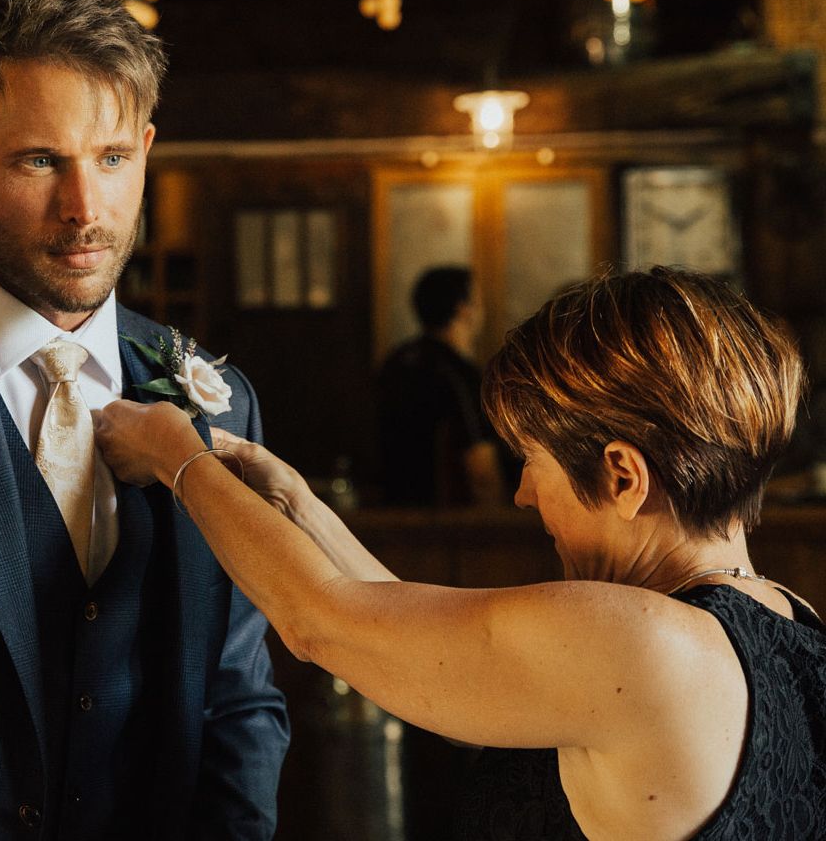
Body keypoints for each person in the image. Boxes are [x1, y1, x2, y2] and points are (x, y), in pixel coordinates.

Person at [96, 267, 826, 840]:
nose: (524, 495)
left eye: (531, 462)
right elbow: (402, 635)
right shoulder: (792, 626)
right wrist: (296, 501)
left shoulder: (645, 646)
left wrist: (176, 458)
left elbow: (324, 624)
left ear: (623, 476)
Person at [0, 0, 287, 840]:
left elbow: (236, 696)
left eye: (111, 159)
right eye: (39, 160)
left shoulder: (221, 399)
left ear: (145, 149)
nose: (84, 209)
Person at [377, 266, 513, 509]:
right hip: (449, 517)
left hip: (388, 507)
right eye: (479, 300)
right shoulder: (457, 372)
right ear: (463, 309)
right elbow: (480, 468)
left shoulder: (395, 361)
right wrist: (499, 520)